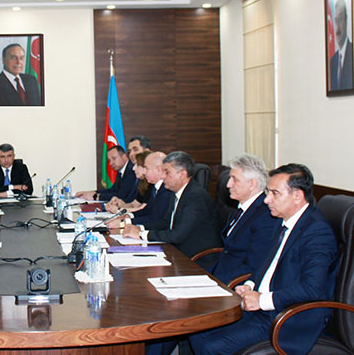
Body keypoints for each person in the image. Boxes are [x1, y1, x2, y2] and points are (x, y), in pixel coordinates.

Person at [190, 164, 339, 355]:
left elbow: (312, 288)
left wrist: (262, 300)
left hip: (287, 316)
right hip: (264, 308)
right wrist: (250, 285)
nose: (267, 200)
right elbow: (267, 264)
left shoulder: (317, 232)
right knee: (199, 331)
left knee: (213, 346)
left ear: (297, 196)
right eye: (268, 192)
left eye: (275, 193)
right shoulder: (282, 221)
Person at [122, 151, 221, 263]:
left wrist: (142, 234)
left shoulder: (195, 197)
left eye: (167, 172)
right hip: (177, 252)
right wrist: (140, 228)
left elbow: (176, 235)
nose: (163, 176)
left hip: (196, 260)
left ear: (182, 174)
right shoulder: (177, 193)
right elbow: (165, 222)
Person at [209, 154, 278, 285]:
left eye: (234, 180)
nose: (228, 184)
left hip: (235, 283)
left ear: (252, 184)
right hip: (221, 273)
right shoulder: (242, 208)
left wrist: (217, 283)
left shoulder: (265, 216)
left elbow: (255, 265)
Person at [107, 152, 174, 229]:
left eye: (147, 168)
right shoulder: (156, 187)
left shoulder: (166, 189)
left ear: (158, 169)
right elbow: (147, 210)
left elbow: (155, 219)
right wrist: (129, 216)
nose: (144, 172)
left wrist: (126, 222)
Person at [330, 0, 353, 90]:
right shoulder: (332, 62)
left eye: (340, 19)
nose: (337, 27)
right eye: (336, 20)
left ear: (346, 20)